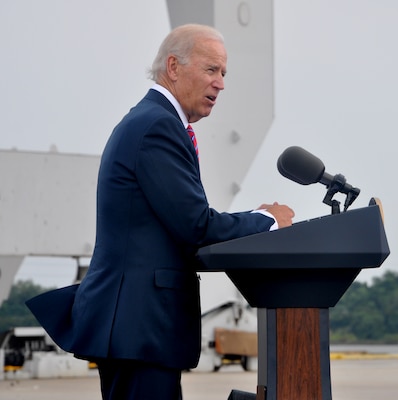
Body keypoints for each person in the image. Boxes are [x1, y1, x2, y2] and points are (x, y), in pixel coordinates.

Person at [27, 24, 294, 399]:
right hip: (140, 328)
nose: (221, 83)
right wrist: (268, 221)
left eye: (224, 73)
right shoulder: (157, 126)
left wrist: (253, 217)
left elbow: (184, 219)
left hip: (139, 331)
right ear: (173, 67)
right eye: (211, 69)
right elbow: (197, 226)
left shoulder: (154, 121)